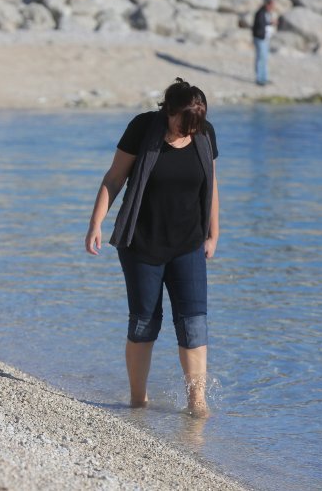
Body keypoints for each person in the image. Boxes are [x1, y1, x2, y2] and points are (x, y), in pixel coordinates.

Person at [84, 78, 219, 416]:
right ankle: (137, 399)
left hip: (187, 242)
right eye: (181, 124)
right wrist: (96, 223)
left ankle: (197, 402)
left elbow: (212, 186)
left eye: (193, 127)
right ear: (168, 112)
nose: (186, 131)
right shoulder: (143, 129)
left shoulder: (204, 133)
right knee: (145, 322)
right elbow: (114, 178)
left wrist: (213, 233)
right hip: (141, 242)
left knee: (194, 323)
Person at [252, 0, 277, 86]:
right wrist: (270, 23)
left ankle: (264, 78)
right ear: (268, 4)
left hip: (265, 39)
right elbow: (260, 24)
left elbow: (265, 23)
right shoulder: (260, 12)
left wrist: (271, 23)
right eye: (272, 4)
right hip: (260, 39)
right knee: (260, 58)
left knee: (265, 59)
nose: (273, 6)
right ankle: (259, 79)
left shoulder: (267, 12)